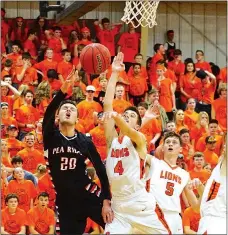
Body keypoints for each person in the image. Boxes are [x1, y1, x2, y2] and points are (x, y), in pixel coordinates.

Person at [103, 52, 171, 234]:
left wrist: (118, 117)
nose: (127, 115)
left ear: (139, 125)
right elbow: (107, 105)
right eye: (125, 114)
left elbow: (128, 130)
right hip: (118, 206)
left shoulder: (139, 139)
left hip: (140, 203)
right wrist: (115, 74)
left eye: (132, 115)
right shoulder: (112, 140)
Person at [42, 68, 112, 234]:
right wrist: (64, 88)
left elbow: (100, 170)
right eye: (64, 108)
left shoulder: (85, 141)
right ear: (58, 116)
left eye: (72, 109)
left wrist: (106, 199)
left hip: (88, 193)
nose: (68, 110)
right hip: (66, 201)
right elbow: (48, 113)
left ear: (77, 119)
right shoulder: (50, 136)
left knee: (115, 225)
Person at [147, 132, 204, 234]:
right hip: (154, 214)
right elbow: (137, 150)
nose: (170, 144)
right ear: (162, 148)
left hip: (175, 218)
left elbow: (196, 207)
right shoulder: (153, 162)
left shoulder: (184, 175)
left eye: (174, 142)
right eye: (167, 142)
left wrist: (200, 187)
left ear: (180, 149)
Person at [197, 140, 226, 234]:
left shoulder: (225, 168)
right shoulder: (218, 170)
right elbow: (206, 199)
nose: (224, 145)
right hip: (208, 220)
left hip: (216, 222)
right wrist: (200, 186)